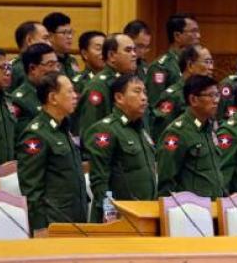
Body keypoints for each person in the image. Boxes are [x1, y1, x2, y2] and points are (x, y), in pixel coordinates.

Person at [17, 71, 88, 231]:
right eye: (69, 91)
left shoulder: (64, 128)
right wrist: (39, 227)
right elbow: (31, 188)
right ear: (53, 98)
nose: (75, 96)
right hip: (54, 222)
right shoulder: (36, 134)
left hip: (76, 216)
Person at [84, 74, 156, 222]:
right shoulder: (105, 129)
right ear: (119, 98)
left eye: (145, 92)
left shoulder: (141, 130)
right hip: (118, 218)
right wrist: (109, 212)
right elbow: (100, 180)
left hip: (144, 213)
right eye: (137, 91)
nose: (143, 97)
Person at [156, 74, 224, 198]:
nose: (216, 100)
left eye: (217, 95)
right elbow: (166, 180)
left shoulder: (209, 129)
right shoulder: (177, 133)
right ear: (193, 99)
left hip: (213, 208)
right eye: (211, 95)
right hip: (190, 210)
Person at [75, 33, 138, 136]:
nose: (134, 54)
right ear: (111, 55)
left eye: (134, 50)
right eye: (128, 50)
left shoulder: (130, 81)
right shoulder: (98, 86)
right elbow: (92, 131)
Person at [151, 44, 213, 140]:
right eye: (207, 62)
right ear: (190, 65)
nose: (211, 67)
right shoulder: (173, 96)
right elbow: (160, 134)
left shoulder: (205, 95)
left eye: (211, 62)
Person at [145, 14, 199, 104]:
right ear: (177, 36)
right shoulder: (160, 67)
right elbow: (155, 104)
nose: (198, 35)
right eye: (193, 31)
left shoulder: (195, 63)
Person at [11, 43, 60, 134]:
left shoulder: (55, 95)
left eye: (57, 65)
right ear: (32, 68)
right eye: (50, 65)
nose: (56, 70)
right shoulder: (20, 101)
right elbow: (25, 137)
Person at [8, 20, 51, 92]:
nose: (49, 44)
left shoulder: (48, 65)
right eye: (45, 38)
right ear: (29, 40)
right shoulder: (14, 69)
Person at [43, 12, 80, 79]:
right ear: (50, 36)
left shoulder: (72, 60)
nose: (70, 37)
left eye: (70, 32)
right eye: (64, 33)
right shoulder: (45, 61)